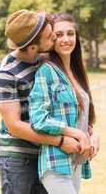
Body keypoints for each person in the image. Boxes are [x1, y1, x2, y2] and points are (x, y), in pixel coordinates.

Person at [0, 10, 82, 194]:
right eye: (50, 37)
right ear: (33, 46)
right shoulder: (5, 73)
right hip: (18, 158)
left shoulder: (44, 62)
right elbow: (14, 126)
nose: (55, 39)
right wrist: (59, 140)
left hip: (45, 155)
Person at [29, 13, 99, 194]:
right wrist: (77, 133)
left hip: (76, 162)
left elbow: (77, 114)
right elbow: (38, 118)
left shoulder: (76, 73)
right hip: (56, 162)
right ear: (51, 39)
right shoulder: (47, 71)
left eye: (71, 33)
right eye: (59, 35)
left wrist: (91, 133)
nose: (66, 39)